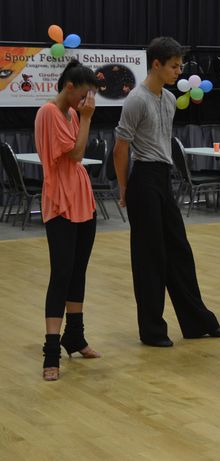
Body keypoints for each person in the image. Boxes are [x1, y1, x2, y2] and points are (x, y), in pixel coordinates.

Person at [113, 37, 220, 347]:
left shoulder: (167, 99)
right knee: (150, 256)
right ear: (156, 64)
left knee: (180, 252)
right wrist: (124, 187)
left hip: (163, 178)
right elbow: (121, 147)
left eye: (180, 66)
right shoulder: (136, 99)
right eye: (174, 66)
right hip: (143, 179)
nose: (179, 72)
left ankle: (196, 322)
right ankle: (152, 330)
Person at [35, 60, 101, 381]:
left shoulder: (72, 114)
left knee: (78, 269)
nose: (85, 102)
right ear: (69, 87)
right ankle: (51, 351)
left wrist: (82, 117)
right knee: (61, 272)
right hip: (60, 199)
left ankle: (75, 336)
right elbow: (75, 153)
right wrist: (87, 118)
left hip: (81, 196)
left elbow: (77, 155)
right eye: (83, 95)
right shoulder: (49, 112)